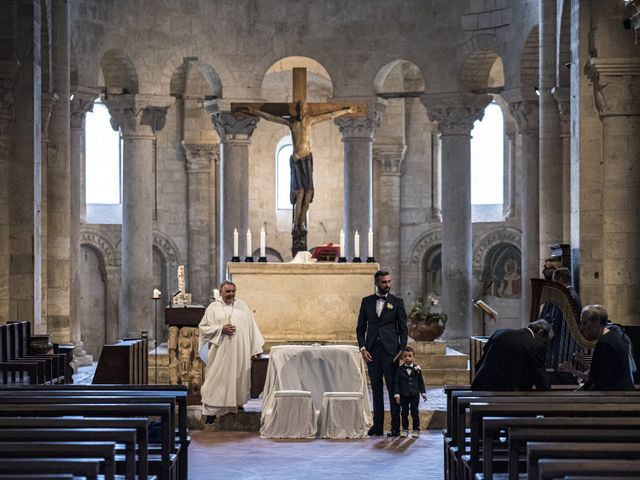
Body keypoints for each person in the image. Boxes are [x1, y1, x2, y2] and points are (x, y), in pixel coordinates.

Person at [238, 102, 354, 255]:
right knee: (299, 193)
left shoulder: (310, 121)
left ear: (307, 110)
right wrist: (255, 112)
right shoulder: (291, 122)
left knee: (308, 193)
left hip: (307, 159)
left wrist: (345, 110)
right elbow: (272, 118)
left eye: (305, 109)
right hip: (296, 159)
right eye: (300, 109)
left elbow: (329, 115)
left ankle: (301, 223)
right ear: (297, 110)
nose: (302, 111)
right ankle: (296, 224)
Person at [198, 281, 265, 423]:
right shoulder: (213, 308)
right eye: (228, 292)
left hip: (240, 350)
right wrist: (221, 329)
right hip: (220, 350)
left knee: (238, 376)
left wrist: (256, 348)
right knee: (215, 379)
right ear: (221, 292)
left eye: (233, 291)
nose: (231, 294)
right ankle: (211, 411)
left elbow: (252, 327)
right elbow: (203, 328)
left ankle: (236, 405)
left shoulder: (242, 306)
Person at [356, 270, 408, 437]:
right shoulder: (367, 302)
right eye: (384, 282)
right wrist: (363, 348)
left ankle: (395, 427)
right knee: (376, 390)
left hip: (391, 352)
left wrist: (401, 350)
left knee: (394, 390)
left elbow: (403, 329)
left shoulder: (397, 302)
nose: (388, 285)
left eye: (389, 282)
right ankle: (377, 426)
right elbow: (360, 328)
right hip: (372, 352)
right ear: (376, 283)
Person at [471, 319, 553, 391]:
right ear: (540, 332)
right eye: (545, 342)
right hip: (503, 395)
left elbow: (481, 363)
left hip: (480, 386)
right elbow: (541, 379)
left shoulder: (499, 333)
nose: (544, 346)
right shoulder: (534, 346)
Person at [578, 305, 635, 391]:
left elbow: (601, 381)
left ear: (597, 322)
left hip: (614, 398)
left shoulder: (604, 344)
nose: (582, 328)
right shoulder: (612, 337)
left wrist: (581, 392)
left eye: (584, 323)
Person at [544, 267, 582, 370]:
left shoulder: (564, 296)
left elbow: (556, 322)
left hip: (561, 346)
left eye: (554, 281)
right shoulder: (574, 294)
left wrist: (543, 338)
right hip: (568, 344)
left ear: (560, 280)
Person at [393, 346, 427, 438]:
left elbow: (421, 381)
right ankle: (405, 429)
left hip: (414, 394)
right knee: (404, 412)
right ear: (402, 358)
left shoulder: (417, 369)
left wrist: (423, 393)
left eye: (409, 356)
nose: (407, 358)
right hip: (404, 395)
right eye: (405, 356)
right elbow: (396, 383)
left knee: (414, 412)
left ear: (413, 357)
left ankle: (416, 430)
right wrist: (397, 394)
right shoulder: (400, 369)